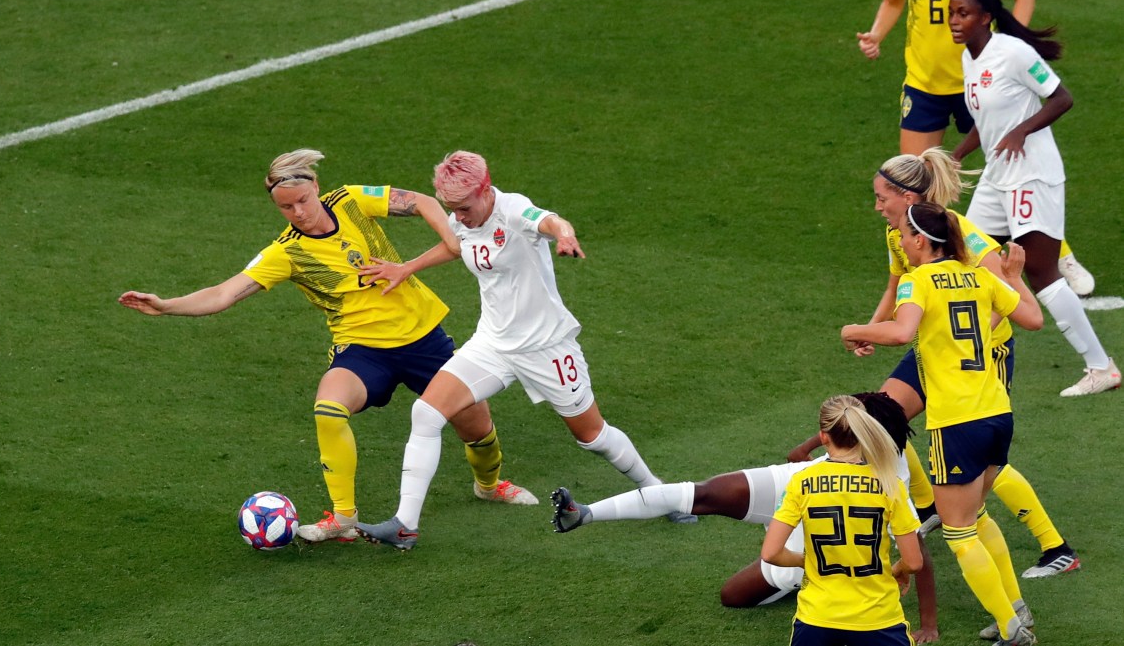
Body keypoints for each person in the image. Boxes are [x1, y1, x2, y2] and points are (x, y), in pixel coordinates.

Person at [118, 149, 537, 544]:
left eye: (301, 200)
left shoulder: (351, 200)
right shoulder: (288, 252)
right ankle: (344, 517)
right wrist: (166, 305)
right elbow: (224, 293)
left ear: (315, 186)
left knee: (475, 426)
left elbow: (423, 200)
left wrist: (448, 242)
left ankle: (489, 485)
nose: (297, 212)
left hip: (423, 337)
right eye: (286, 207)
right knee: (328, 408)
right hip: (362, 350)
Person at [353, 150, 693, 550]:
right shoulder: (462, 218)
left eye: (462, 208)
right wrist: (407, 267)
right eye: (451, 209)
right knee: (426, 412)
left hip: (546, 347)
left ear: (484, 189)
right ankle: (404, 525)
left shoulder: (515, 211)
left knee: (592, 436)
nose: (457, 217)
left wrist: (564, 235)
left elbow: (550, 221)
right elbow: (456, 244)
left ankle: (660, 494)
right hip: (492, 344)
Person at [809, 149, 1079, 579]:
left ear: (907, 195)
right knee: (880, 417)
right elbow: (897, 286)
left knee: (983, 452)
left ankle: (1055, 546)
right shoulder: (901, 234)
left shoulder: (960, 232)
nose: (877, 206)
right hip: (933, 348)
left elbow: (1002, 295)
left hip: (983, 353)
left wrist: (959, 347)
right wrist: (869, 330)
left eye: (882, 198)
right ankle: (930, 503)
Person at [550, 392, 942, 642]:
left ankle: (587, 513)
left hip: (804, 574)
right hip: (866, 601)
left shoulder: (806, 480)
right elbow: (915, 556)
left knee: (723, 562)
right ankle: (585, 513)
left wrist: (813, 564)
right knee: (710, 511)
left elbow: (773, 551)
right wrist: (926, 622)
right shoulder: (892, 478)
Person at [857, 0, 1094, 295]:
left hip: (979, 90)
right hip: (924, 83)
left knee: (1012, 174)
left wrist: (1003, 51)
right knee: (913, 182)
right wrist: (877, 34)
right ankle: (923, 264)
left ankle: (1058, 254)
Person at [842, 202, 1044, 645]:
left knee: (958, 532)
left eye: (907, 238)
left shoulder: (919, 281)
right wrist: (1013, 277)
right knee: (979, 515)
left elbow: (900, 332)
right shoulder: (981, 275)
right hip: (997, 413)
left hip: (956, 422)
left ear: (920, 240)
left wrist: (853, 329)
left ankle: (1013, 633)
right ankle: (1014, 609)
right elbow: (1033, 318)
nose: (904, 245)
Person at [948, 0, 1120, 397]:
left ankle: (1102, 368)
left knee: (1042, 271)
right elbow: (988, 125)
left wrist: (1022, 131)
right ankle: (976, 349)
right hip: (997, 174)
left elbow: (1061, 98)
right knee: (964, 252)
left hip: (1032, 174)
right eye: (952, 12)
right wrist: (953, 157)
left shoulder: (1015, 53)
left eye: (964, 13)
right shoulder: (970, 58)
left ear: (986, 17)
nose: (954, 21)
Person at [760, 395, 923, 646]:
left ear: (824, 436)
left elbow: (771, 553)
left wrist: (805, 561)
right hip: (878, 619)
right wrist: (897, 571)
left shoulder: (801, 482)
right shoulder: (890, 484)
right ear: (862, 432)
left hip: (817, 618)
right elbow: (913, 561)